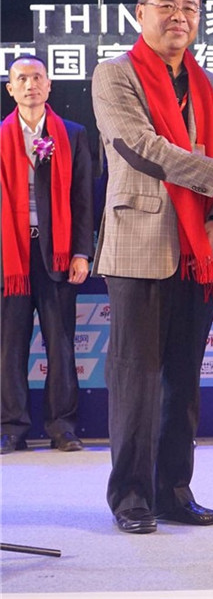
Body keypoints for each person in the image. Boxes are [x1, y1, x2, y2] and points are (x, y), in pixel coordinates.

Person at [91, 0, 213, 535]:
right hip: (139, 246)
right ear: (140, 13)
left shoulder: (210, 85)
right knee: (136, 380)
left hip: (199, 251)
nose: (179, 16)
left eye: (189, 7)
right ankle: (131, 497)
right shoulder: (114, 75)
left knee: (183, 382)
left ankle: (173, 492)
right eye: (166, 5)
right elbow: (142, 148)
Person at [1, 55, 94, 454]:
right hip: (11, 257)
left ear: (49, 85)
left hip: (56, 255)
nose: (30, 85)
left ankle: (62, 427)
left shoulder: (71, 134)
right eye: (21, 79)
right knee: (9, 346)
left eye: (37, 77)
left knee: (61, 343)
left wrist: (82, 252)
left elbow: (83, 199)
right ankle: (11, 427)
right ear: (10, 89)